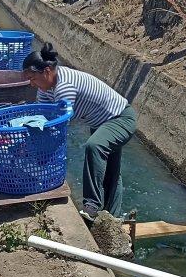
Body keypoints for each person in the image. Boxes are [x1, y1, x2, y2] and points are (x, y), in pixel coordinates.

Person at [22, 43, 136, 220]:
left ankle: (92, 205)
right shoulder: (46, 88)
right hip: (101, 122)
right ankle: (113, 218)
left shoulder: (64, 87)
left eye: (32, 78)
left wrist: (38, 159)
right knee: (111, 171)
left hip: (120, 118)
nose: (31, 84)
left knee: (94, 146)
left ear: (46, 72)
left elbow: (58, 127)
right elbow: (40, 116)